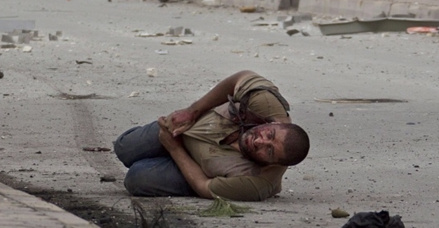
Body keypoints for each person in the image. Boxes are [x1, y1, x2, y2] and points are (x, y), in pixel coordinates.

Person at [114, 70, 309, 202]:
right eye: (269, 134)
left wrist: (174, 149)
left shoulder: (257, 182)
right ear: (274, 123)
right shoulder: (265, 103)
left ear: (274, 163)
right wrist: (192, 111)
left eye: (269, 151)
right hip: (187, 129)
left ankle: (166, 162)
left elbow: (203, 185)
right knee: (124, 147)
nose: (259, 141)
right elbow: (239, 78)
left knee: (137, 178)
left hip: (192, 167)